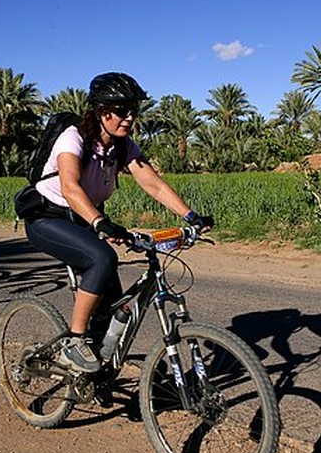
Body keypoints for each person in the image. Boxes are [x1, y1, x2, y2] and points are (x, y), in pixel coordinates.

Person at [23, 72, 213, 373]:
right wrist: (100, 222)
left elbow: (154, 184)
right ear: (101, 111)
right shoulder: (73, 137)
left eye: (133, 111)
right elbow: (71, 188)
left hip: (86, 217)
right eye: (123, 110)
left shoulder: (122, 145)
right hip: (48, 217)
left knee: (111, 306)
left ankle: (97, 374)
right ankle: (74, 341)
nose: (130, 118)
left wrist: (190, 216)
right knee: (102, 258)